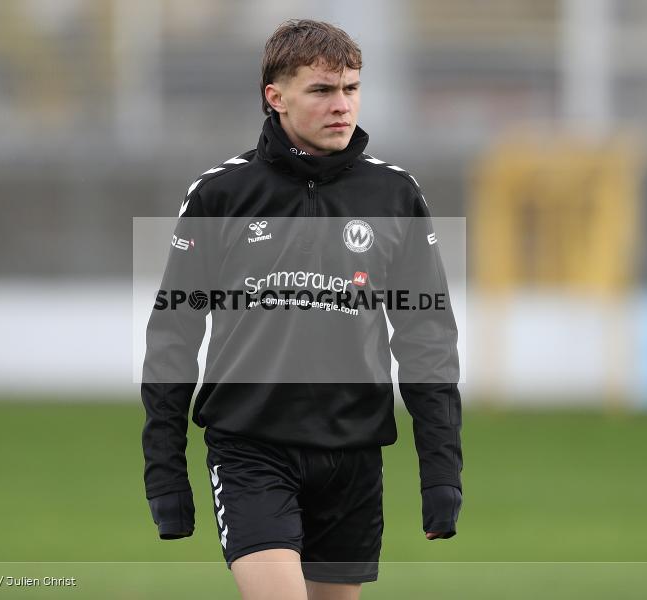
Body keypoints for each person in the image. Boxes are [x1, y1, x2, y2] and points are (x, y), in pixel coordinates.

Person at [141, 19, 463, 600]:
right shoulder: (220, 195)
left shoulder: (395, 195)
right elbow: (173, 335)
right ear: (276, 96)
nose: (342, 106)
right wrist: (164, 470)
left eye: (351, 89)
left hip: (354, 456)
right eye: (321, 90)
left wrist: (441, 471)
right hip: (250, 449)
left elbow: (427, 339)